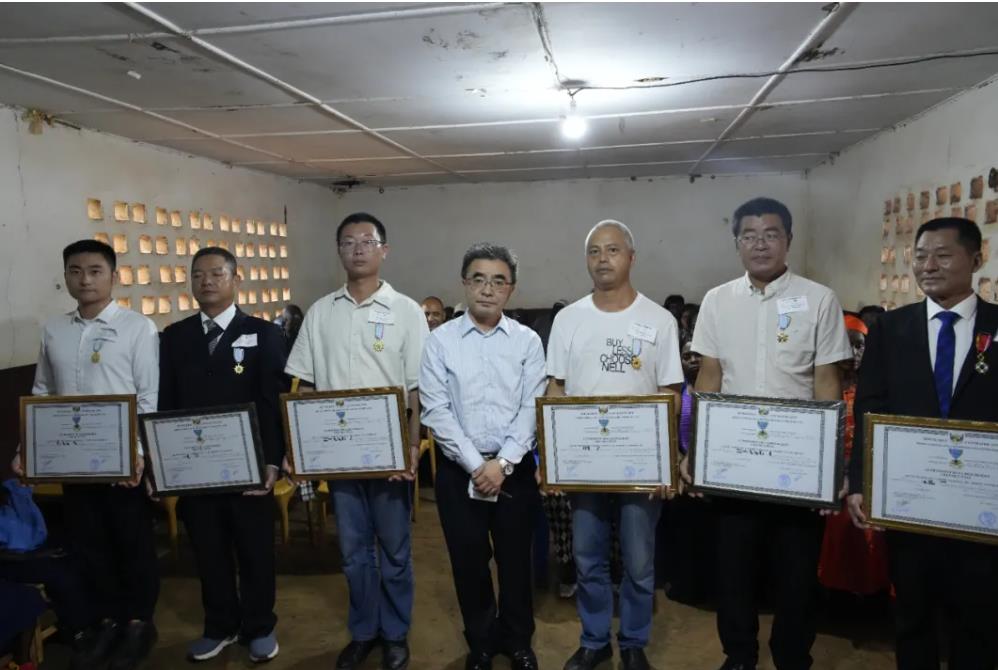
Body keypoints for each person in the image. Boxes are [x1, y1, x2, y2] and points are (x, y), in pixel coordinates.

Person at [685, 197, 852, 670]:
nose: (760, 244)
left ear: (788, 240)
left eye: (771, 234)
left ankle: (792, 657)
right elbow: (709, 378)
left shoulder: (819, 299)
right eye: (750, 236)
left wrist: (830, 468)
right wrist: (696, 451)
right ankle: (739, 655)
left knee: (796, 573)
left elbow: (827, 383)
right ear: (737, 243)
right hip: (733, 461)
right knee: (733, 570)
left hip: (796, 465)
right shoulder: (717, 301)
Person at [848, 217, 998, 670]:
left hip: (982, 505)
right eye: (920, 256)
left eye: (942, 255)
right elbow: (869, 408)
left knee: (979, 619)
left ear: (976, 259)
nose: (928, 266)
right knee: (912, 617)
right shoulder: (891, 329)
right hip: (911, 500)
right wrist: (861, 481)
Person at [285, 212, 428, 670]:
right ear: (339, 251)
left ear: (384, 250)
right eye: (349, 242)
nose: (358, 249)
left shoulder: (406, 311)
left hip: (389, 456)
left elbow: (416, 390)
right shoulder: (321, 312)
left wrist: (412, 448)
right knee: (352, 552)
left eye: (368, 241)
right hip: (338, 456)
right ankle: (364, 631)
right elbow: (306, 386)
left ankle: (396, 633)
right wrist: (300, 448)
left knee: (395, 551)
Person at [17, 239, 160, 670]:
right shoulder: (54, 330)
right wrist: (28, 450)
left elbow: (147, 395)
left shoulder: (138, 328)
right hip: (72, 460)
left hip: (122, 461)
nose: (85, 280)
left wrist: (138, 453)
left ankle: (137, 623)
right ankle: (106, 622)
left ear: (113, 276)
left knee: (131, 543)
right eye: (75, 271)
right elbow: (43, 393)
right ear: (66, 277)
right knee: (88, 544)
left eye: (95, 271)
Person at [547, 220, 683, 670]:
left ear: (631, 257)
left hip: (640, 466)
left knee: (640, 562)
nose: (602, 259)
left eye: (612, 250)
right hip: (585, 464)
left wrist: (665, 463)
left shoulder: (659, 320)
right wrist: (552, 459)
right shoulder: (568, 320)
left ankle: (634, 641)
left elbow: (670, 394)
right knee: (588, 558)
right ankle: (594, 639)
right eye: (594, 251)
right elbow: (555, 390)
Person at [158, 247, 288, 663]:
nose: (207, 281)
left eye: (216, 273)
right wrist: (166, 463)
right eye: (198, 275)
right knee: (208, 550)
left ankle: (259, 626)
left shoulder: (265, 334)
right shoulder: (174, 337)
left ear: (236, 279)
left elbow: (273, 402)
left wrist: (272, 461)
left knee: (255, 550)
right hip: (196, 469)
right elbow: (166, 403)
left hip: (251, 466)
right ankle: (219, 625)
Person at [420, 243, 545, 670]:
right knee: (468, 561)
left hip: (515, 472)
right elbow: (437, 410)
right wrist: (478, 466)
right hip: (460, 475)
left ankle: (518, 640)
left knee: (516, 561)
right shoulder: (439, 342)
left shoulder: (528, 342)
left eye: (498, 281)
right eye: (479, 279)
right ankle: (481, 643)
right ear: (464, 284)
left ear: (511, 289)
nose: (487, 290)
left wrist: (503, 464)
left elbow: (532, 407)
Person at [817, 315, 889, 597]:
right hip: (829, 478)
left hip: (865, 476)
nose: (855, 353)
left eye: (860, 346)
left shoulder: (875, 389)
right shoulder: (819, 386)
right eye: (848, 346)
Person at [0, 478, 97, 669]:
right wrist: (35, 555)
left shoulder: (11, 490)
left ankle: (83, 624)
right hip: (11, 559)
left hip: (29, 549)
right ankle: (78, 631)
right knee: (60, 575)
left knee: (81, 554)